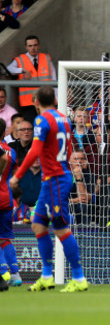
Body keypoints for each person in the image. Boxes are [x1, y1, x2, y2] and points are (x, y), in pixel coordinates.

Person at [8, 87, 88, 292]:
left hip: (55, 180)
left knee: (60, 228)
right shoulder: (64, 118)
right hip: (52, 179)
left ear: (35, 101)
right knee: (38, 225)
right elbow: (69, 147)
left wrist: (17, 175)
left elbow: (35, 149)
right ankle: (46, 275)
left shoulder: (42, 120)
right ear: (53, 100)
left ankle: (79, 277)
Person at [7, 35, 56, 123]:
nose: (33, 48)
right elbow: (8, 69)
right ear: (26, 47)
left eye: (35, 45)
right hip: (28, 104)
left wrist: (56, 98)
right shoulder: (20, 60)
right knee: (31, 127)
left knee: (48, 126)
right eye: (30, 46)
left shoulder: (46, 58)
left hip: (45, 101)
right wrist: (21, 70)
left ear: (39, 46)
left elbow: (54, 80)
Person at [0, 119, 19, 289]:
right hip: (7, 197)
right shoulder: (11, 152)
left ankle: (3, 272)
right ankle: (15, 274)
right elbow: (14, 177)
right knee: (5, 238)